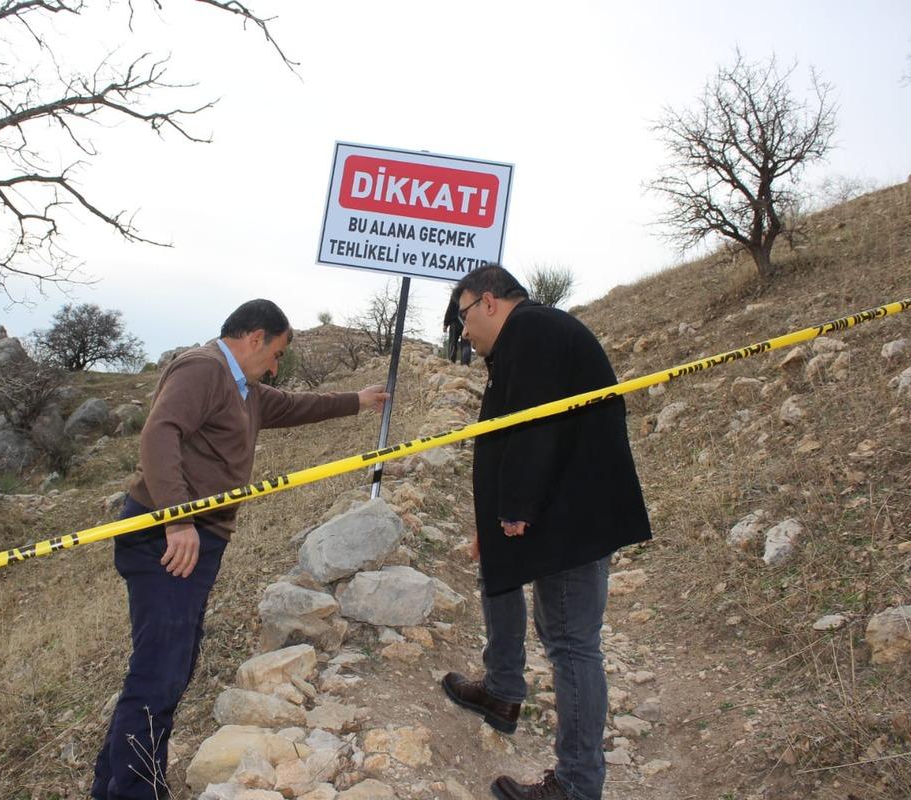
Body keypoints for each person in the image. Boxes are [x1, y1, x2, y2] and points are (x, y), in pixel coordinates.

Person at [91, 299, 388, 800]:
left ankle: (111, 786)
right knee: (160, 672)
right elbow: (159, 434)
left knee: (170, 666)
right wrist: (177, 518)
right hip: (166, 540)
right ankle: (134, 792)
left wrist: (356, 400)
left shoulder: (243, 388)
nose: (274, 367)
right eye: (275, 354)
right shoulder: (203, 369)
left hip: (195, 541)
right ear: (254, 338)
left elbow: (294, 406)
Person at [439, 265, 651, 800]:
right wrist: (494, 517)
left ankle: (577, 785)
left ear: (488, 302)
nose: (464, 331)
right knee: (501, 579)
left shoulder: (533, 331)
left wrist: (514, 506)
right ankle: (502, 689)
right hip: (553, 509)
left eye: (464, 316)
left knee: (570, 643)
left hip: (568, 518)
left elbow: (537, 423)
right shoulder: (527, 337)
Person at [443, 297, 463, 361]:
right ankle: (465, 362)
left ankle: (451, 361)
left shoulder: (455, 294)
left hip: (455, 321)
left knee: (453, 342)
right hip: (464, 321)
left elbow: (450, 308)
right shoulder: (470, 292)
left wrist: (445, 324)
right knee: (465, 344)